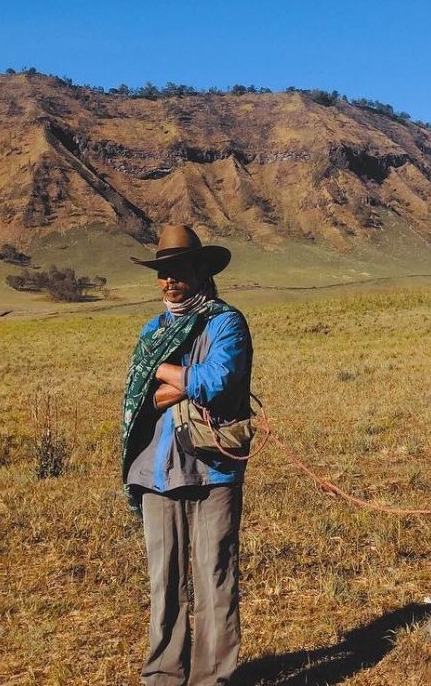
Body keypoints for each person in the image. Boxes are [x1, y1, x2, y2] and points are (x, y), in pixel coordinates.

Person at [121, 225, 254, 686]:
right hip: (155, 469)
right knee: (164, 582)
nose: (169, 280)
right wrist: (178, 383)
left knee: (215, 579)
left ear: (201, 272)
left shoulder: (226, 322)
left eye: (178, 270)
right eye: (163, 272)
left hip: (212, 469)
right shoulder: (153, 329)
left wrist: (159, 369)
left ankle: (213, 679)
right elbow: (144, 400)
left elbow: (218, 383)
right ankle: (163, 675)